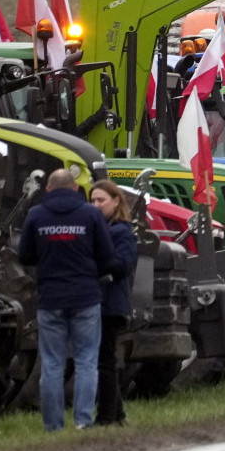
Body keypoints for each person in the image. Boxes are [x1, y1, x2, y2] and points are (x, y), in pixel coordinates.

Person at [18, 168, 120, 432]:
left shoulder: (36, 215)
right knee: (87, 362)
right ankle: (83, 421)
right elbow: (107, 256)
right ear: (76, 189)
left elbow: (25, 256)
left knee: (52, 364)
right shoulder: (91, 214)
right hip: (86, 298)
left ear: (48, 190)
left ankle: (53, 425)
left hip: (50, 299)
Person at [90, 180, 137, 427]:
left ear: (116, 201)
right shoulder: (100, 230)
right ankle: (117, 414)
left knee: (105, 361)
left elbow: (122, 265)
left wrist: (92, 264)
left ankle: (107, 416)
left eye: (101, 200)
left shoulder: (121, 232)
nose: (96, 205)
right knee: (104, 359)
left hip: (110, 304)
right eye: (93, 201)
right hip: (100, 303)